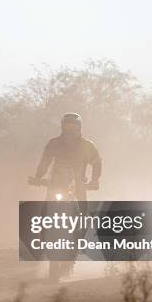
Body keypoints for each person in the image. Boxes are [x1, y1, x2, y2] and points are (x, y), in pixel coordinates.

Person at [31, 112, 102, 280]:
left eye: (74, 128)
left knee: (82, 222)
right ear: (62, 128)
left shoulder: (88, 146)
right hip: (55, 188)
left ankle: (72, 255)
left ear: (80, 129)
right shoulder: (53, 144)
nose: (70, 132)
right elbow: (45, 162)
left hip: (78, 190)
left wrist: (94, 180)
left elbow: (97, 163)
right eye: (67, 128)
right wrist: (38, 177)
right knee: (44, 218)